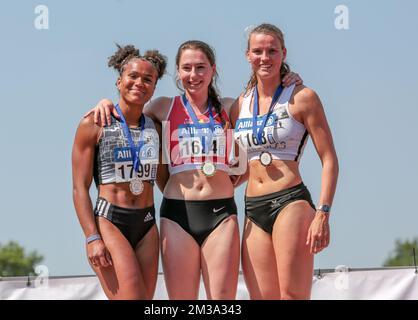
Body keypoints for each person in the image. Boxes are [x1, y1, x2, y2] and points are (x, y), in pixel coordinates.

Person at [87, 40, 301, 300]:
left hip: (221, 214)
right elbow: (130, 106)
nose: (193, 75)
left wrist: (288, 79)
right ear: (178, 72)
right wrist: (104, 103)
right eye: (186, 68)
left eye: (200, 67)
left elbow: (268, 106)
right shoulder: (163, 107)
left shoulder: (232, 107)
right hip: (178, 214)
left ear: (212, 69)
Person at [230, 23, 339, 300]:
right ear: (247, 55)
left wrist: (323, 213)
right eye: (257, 51)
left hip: (290, 201)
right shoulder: (239, 104)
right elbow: (242, 166)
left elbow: (329, 159)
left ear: (283, 53)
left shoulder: (303, 97)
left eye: (271, 51)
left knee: (291, 296)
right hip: (253, 208)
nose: (264, 57)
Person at [72, 44, 167, 299]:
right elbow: (79, 187)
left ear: (154, 88)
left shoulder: (156, 128)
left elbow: (167, 183)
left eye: (148, 79)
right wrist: (92, 237)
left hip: (147, 223)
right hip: (110, 222)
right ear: (119, 81)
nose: (139, 83)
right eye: (133, 76)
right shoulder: (93, 123)